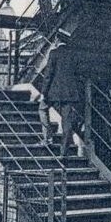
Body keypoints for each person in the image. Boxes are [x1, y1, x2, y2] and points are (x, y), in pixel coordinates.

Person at [39, 30, 83, 158]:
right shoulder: (73, 55)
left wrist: (43, 93)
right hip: (69, 94)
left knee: (42, 109)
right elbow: (77, 75)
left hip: (54, 93)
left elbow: (48, 75)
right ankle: (63, 152)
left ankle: (48, 138)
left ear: (57, 40)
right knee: (66, 122)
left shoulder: (54, 53)